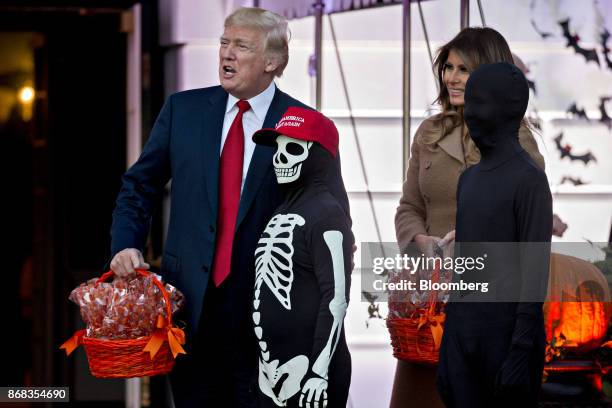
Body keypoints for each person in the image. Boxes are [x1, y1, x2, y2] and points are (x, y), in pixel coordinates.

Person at [108, 7, 349, 407]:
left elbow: (333, 218)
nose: (227, 54)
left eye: (241, 45)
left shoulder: (303, 124)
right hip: (190, 311)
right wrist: (124, 244)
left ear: (272, 61)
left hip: (271, 320)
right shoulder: (182, 111)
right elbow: (138, 186)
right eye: (224, 43)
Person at [391, 27, 545, 408]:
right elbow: (409, 206)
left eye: (465, 69)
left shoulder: (518, 141)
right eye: (449, 67)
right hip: (428, 302)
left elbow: (527, 225)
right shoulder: (428, 133)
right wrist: (420, 243)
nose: (452, 77)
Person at [436, 62, 552, 407]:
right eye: (468, 103)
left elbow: (534, 273)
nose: (471, 113)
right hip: (465, 339)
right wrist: (451, 343)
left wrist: (520, 350)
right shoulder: (469, 179)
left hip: (505, 342)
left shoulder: (528, 179)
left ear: (507, 109)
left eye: (480, 103)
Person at [251, 107, 353, 407]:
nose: (279, 158)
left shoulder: (328, 216)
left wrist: (319, 373)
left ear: (319, 156)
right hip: (271, 372)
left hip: (311, 378)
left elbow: (336, 300)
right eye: (278, 148)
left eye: (293, 149)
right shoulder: (282, 211)